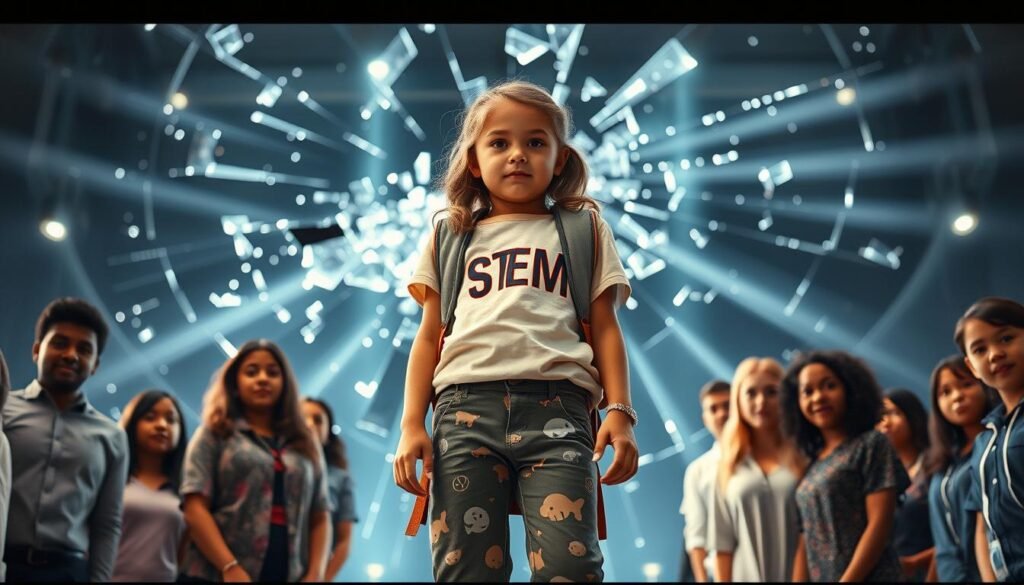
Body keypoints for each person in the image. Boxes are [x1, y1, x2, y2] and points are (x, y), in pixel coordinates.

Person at [393, 80, 637, 582]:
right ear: (475, 161)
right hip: (463, 410)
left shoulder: (584, 229)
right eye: (500, 142)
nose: (518, 155)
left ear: (561, 158)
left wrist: (620, 412)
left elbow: (606, 327)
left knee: (571, 567)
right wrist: (411, 424)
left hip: (561, 410)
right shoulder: (450, 233)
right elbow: (427, 338)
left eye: (536, 142)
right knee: (466, 569)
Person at [179, 339, 330, 582]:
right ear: (235, 383)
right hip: (213, 574)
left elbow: (321, 514)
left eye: (272, 372)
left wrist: (315, 573)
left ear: (285, 383)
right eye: (251, 372)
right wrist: (229, 566)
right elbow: (194, 506)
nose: (262, 378)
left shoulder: (306, 442)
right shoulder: (215, 432)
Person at [2, 297, 128, 582]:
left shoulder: (112, 436)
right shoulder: (3, 410)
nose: (71, 355)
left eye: (84, 349)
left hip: (68, 573)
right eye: (60, 343)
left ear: (95, 364)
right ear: (36, 350)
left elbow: (107, 525)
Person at [781, 350, 909, 582]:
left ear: (850, 389)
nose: (818, 397)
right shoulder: (812, 465)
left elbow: (879, 524)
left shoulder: (871, 443)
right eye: (807, 391)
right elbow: (805, 541)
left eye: (829, 386)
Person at [710, 357, 805, 582]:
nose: (761, 402)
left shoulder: (805, 456)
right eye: (751, 393)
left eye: (771, 392)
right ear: (738, 400)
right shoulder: (727, 463)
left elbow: (811, 533)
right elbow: (721, 544)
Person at [956, 297, 1024, 581]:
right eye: (980, 349)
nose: (995, 354)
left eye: (1006, 338)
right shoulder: (985, 441)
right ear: (971, 366)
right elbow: (983, 524)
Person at [924, 355, 998, 582]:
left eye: (966, 384)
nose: (957, 396)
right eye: (945, 392)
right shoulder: (943, 462)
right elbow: (942, 540)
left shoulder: (996, 443)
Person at [111, 390, 189, 582]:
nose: (162, 425)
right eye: (150, 417)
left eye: (171, 420)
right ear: (133, 422)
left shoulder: (186, 491)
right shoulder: (111, 477)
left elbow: (183, 554)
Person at [302, 397, 358, 581]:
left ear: (328, 433)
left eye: (318, 420)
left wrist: (321, 578)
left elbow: (344, 541)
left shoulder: (341, 479)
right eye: (302, 417)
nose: (310, 424)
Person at [681, 380, 730, 582]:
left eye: (727, 406)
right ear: (705, 418)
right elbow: (696, 537)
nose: (722, 414)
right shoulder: (698, 471)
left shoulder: (766, 459)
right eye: (713, 409)